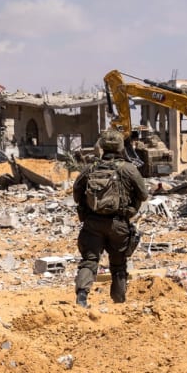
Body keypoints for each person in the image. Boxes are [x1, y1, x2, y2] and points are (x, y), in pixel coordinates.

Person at [72, 128, 148, 308]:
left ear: (102, 147)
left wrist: (86, 209)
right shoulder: (128, 169)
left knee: (89, 261)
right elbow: (143, 194)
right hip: (119, 224)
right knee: (119, 265)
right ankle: (119, 303)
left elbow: (77, 190)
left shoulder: (91, 168)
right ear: (121, 147)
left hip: (93, 223)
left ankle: (81, 298)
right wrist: (130, 209)